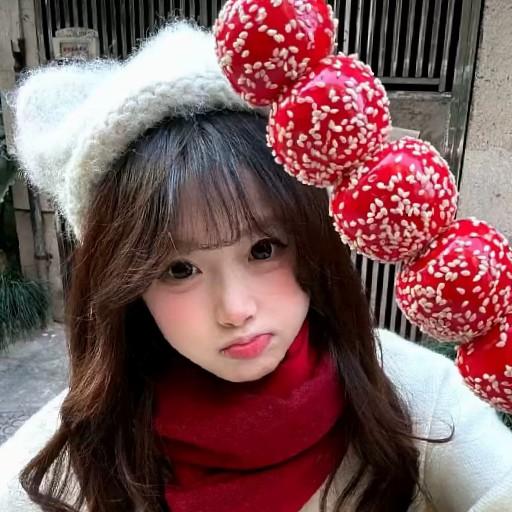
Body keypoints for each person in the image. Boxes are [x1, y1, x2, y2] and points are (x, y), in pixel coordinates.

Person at [1, 21, 512, 512]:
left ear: (312, 240)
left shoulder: (412, 395)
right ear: (128, 284)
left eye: (264, 249)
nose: (236, 309)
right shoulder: (71, 454)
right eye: (179, 270)